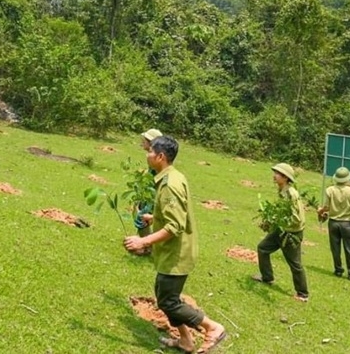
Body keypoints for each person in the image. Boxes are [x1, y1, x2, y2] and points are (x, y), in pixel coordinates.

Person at [123, 136, 226, 354]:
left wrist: (143, 240)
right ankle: (186, 341)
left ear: (160, 156)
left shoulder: (170, 185)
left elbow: (175, 227)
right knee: (163, 294)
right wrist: (155, 217)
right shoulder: (172, 176)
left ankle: (213, 327)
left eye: (150, 151)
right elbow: (175, 217)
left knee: (168, 302)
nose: (147, 154)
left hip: (177, 253)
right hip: (172, 252)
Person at [251, 163, 310, 302]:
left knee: (295, 263)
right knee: (263, 248)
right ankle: (267, 277)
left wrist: (280, 223)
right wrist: (270, 222)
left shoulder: (291, 194)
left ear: (285, 177)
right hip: (281, 230)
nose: (274, 176)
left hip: (291, 234)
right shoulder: (282, 190)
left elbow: (296, 218)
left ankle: (303, 294)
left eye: (277, 174)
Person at [317, 167, 350, 281]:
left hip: (333, 223)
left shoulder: (329, 190)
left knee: (335, 248)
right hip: (347, 224)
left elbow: (326, 207)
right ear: (347, 178)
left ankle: (338, 270)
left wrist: (320, 211)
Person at [131, 129, 162, 256]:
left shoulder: (156, 157)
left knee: (143, 216)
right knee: (140, 215)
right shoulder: (151, 155)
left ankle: (147, 247)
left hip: (152, 193)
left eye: (146, 139)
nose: (143, 141)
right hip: (148, 190)